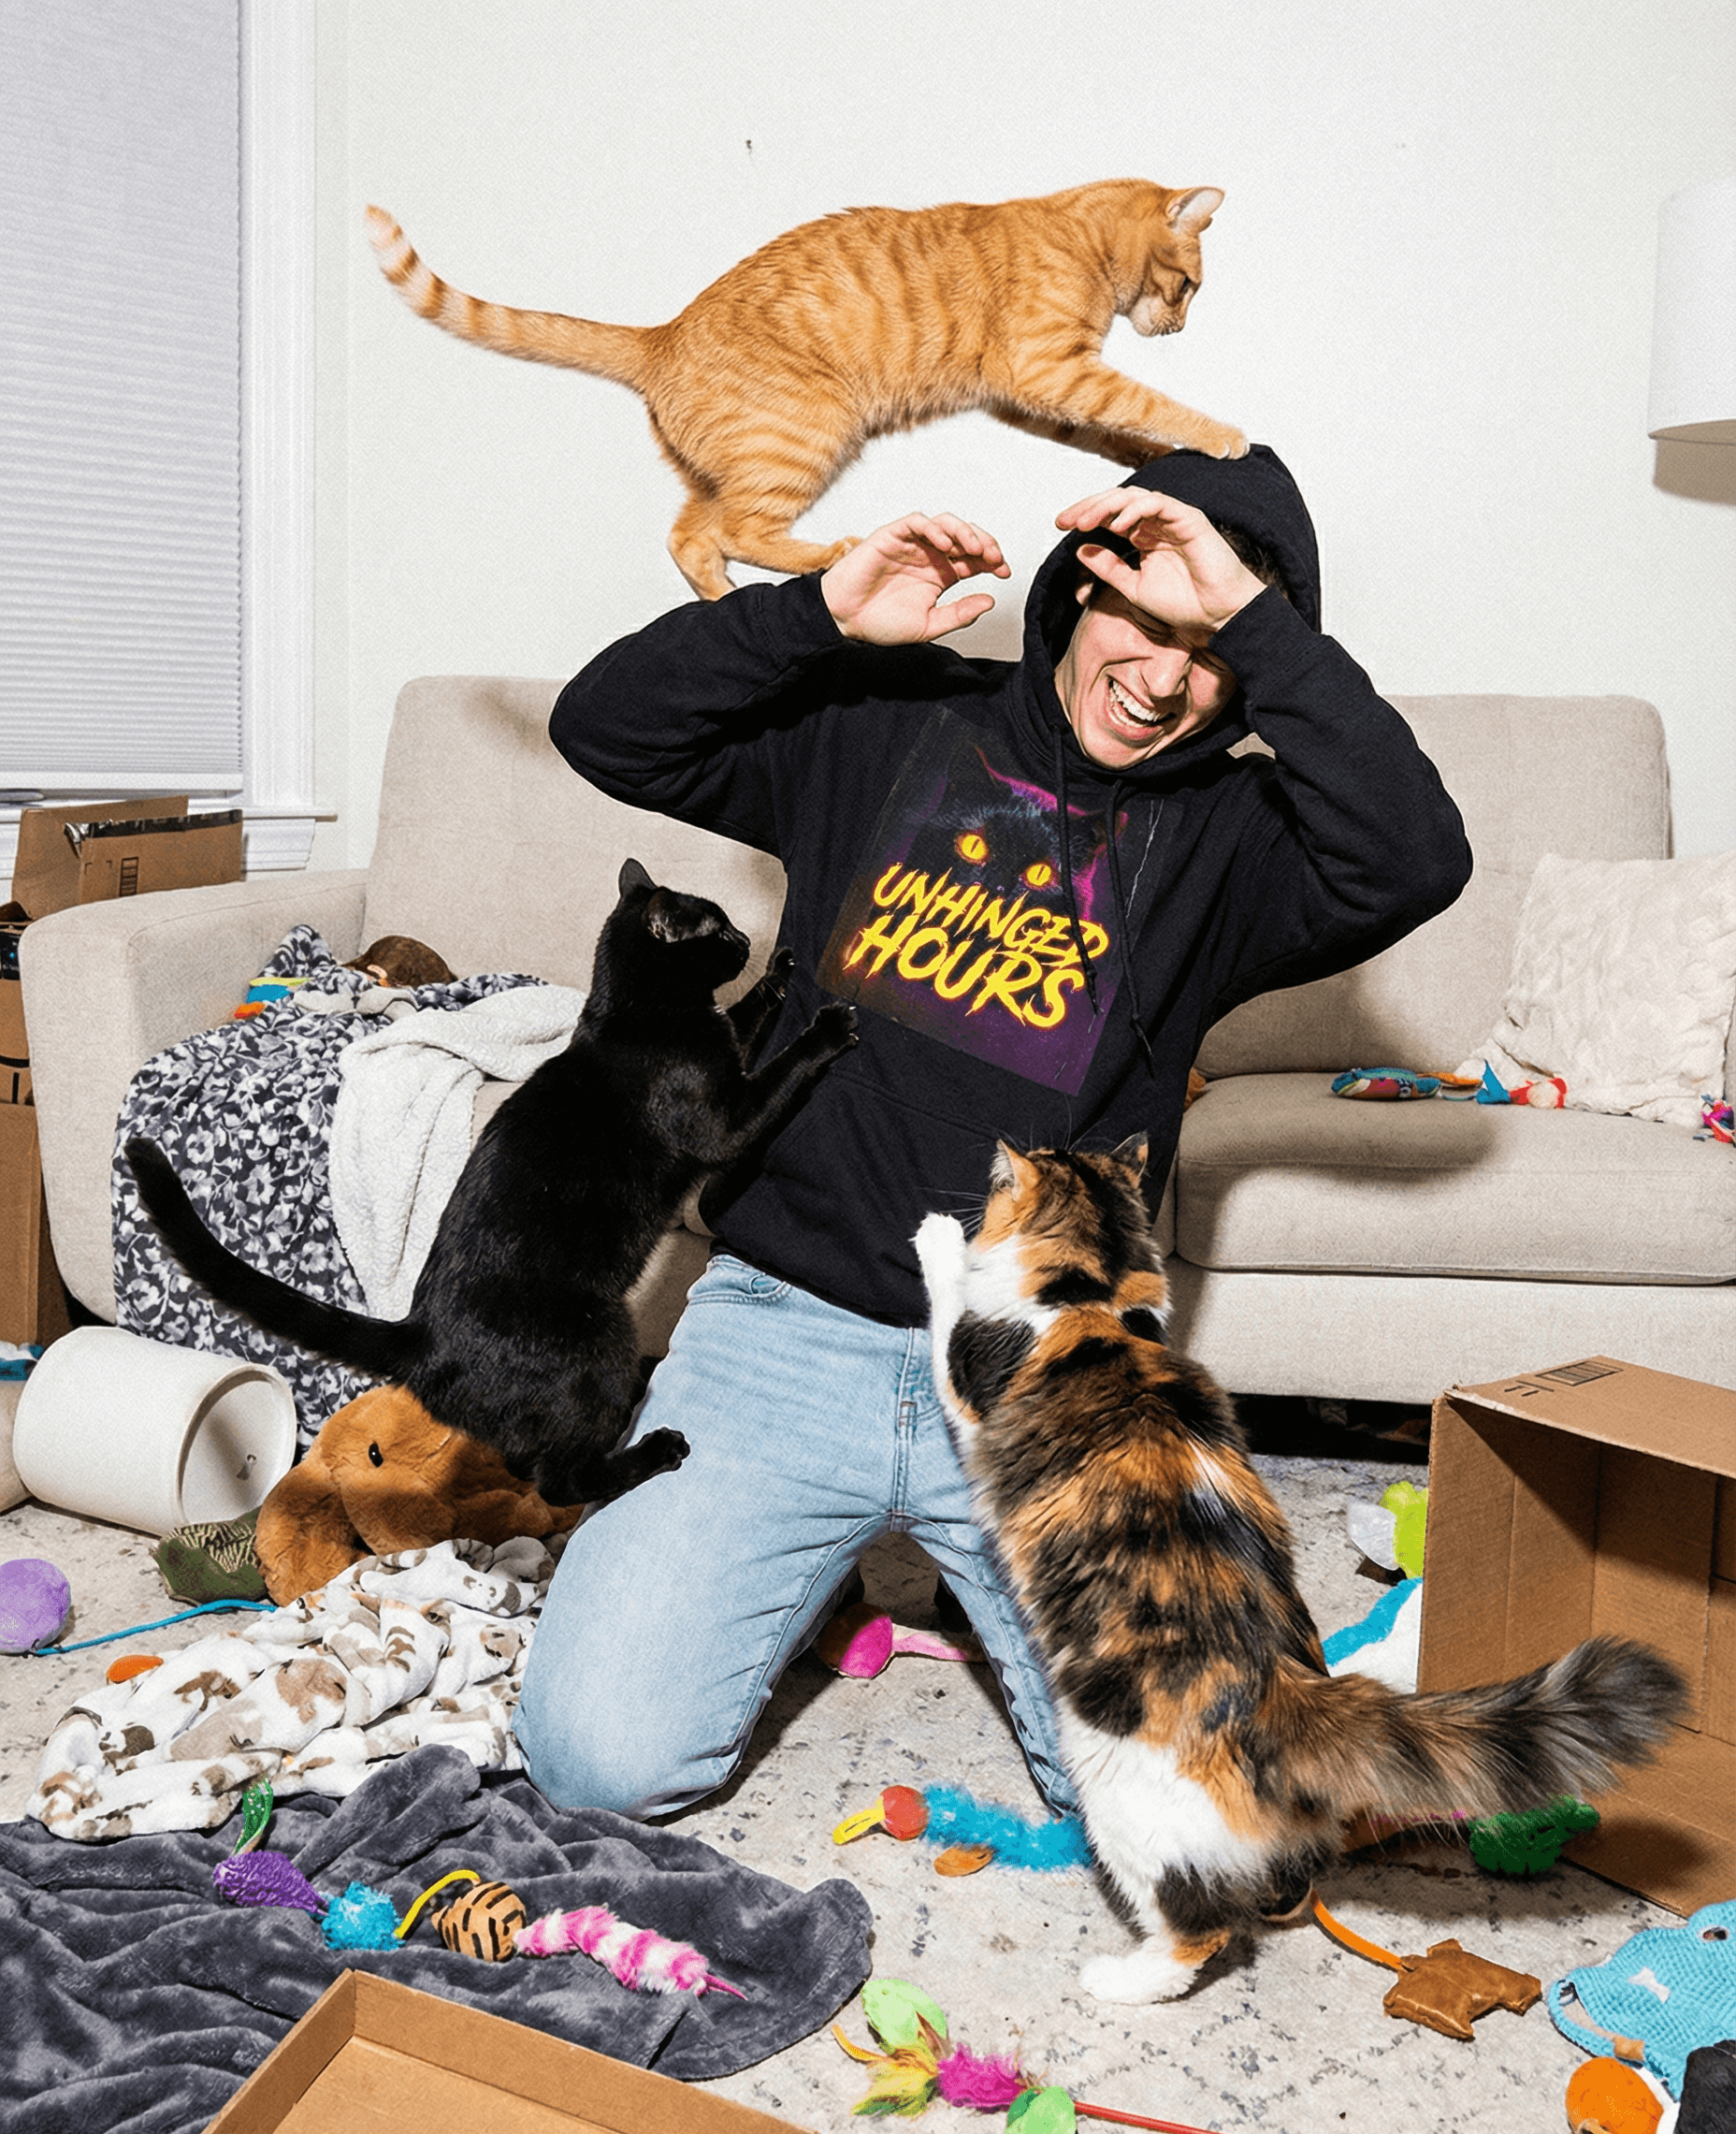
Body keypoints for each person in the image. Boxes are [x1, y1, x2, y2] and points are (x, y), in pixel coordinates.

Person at [513, 445, 1471, 1818]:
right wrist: (815, 614)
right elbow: (606, 726)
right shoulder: (877, 719)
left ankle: (943, 1581)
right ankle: (801, 1549)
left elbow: (1418, 856)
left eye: (1211, 650)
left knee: (1183, 1806)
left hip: (1052, 1372)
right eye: (1144, 618)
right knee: (598, 1765)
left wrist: (1250, 615)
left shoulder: (1243, 839)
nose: (1163, 676)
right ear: (1078, 593)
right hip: (784, 1332)